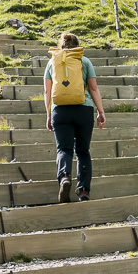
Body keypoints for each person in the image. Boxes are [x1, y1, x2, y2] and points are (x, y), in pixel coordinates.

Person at [44, 31, 107, 202]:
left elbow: (47, 91)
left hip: (60, 111)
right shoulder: (84, 61)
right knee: (82, 152)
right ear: (77, 45)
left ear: (61, 45)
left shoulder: (52, 62)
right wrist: (101, 112)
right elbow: (93, 88)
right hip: (83, 110)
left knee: (64, 149)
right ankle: (84, 190)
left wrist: (49, 114)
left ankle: (64, 177)